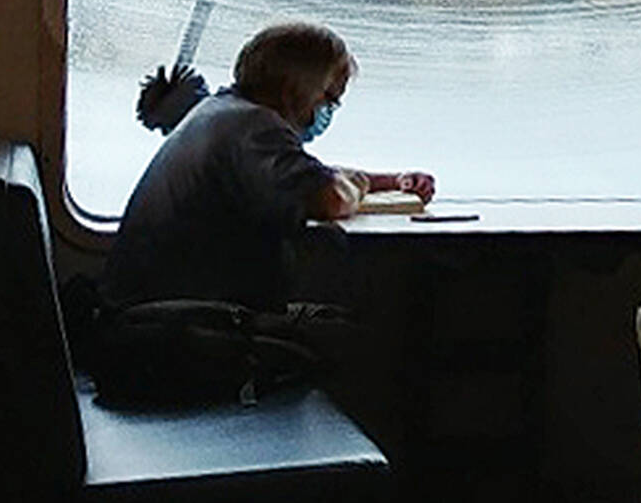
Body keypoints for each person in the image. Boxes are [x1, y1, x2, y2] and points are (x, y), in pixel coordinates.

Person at [95, 21, 435, 405]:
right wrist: (352, 186)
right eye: (327, 98)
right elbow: (329, 196)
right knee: (382, 346)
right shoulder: (255, 126)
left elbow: (309, 173)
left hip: (156, 323)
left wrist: (390, 181)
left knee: (347, 322)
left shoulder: (223, 113)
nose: (327, 111)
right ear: (297, 88)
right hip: (178, 334)